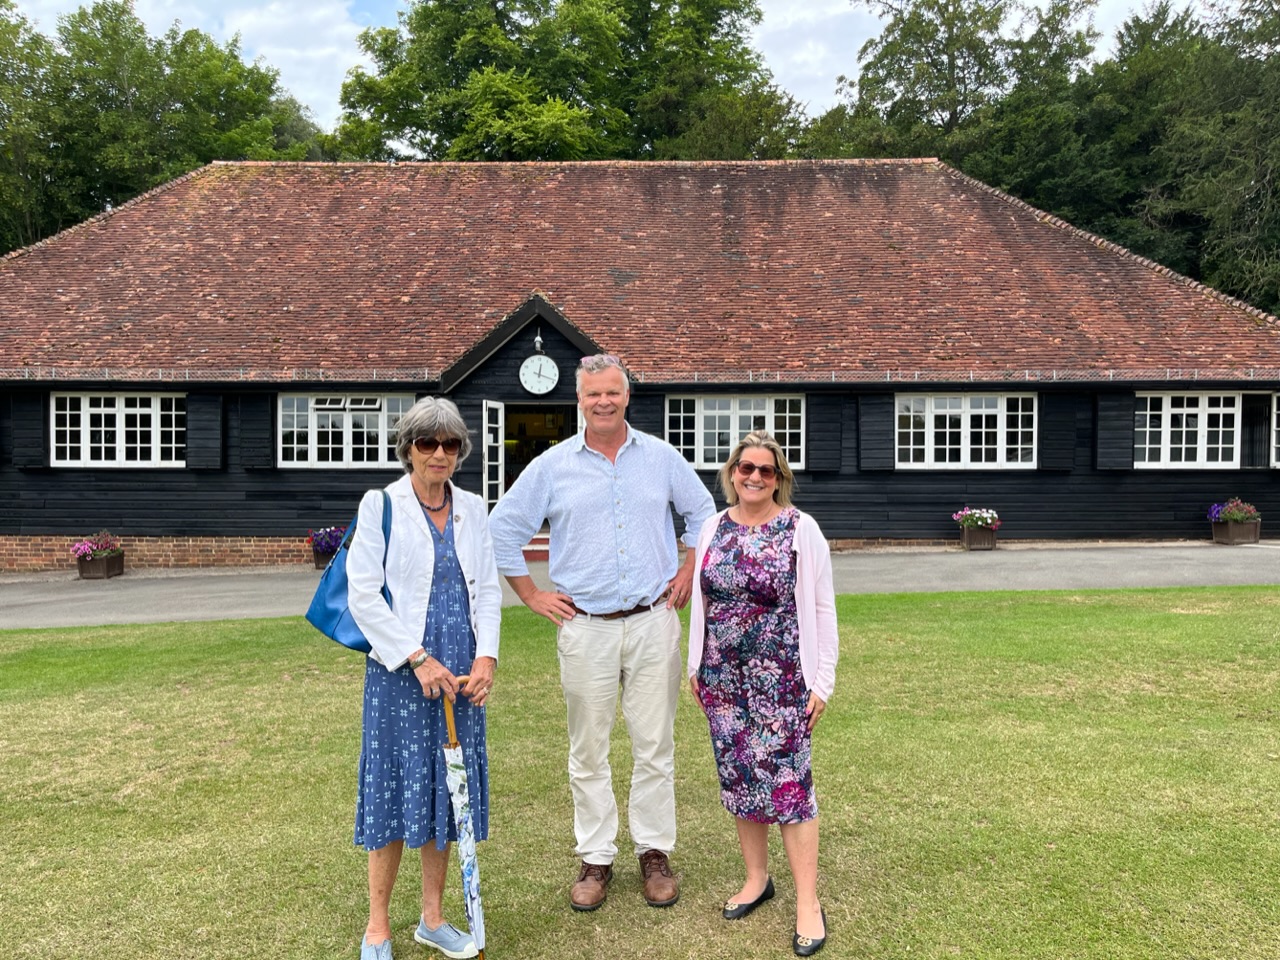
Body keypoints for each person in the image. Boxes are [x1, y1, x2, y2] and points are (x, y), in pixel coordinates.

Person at [488, 354, 716, 912]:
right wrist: (532, 595)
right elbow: (502, 529)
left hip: (651, 620)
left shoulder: (661, 458)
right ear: (579, 400)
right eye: (593, 395)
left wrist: (688, 569)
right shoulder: (552, 465)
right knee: (588, 748)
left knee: (654, 745)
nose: (604, 402)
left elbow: (703, 514)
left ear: (627, 396)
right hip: (584, 625)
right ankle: (595, 858)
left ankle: (654, 853)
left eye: (612, 392)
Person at [347, 397, 501, 960]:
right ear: (408, 447)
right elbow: (362, 594)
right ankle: (377, 929)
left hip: (460, 670)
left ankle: (433, 919)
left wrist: (486, 658)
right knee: (392, 789)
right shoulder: (380, 504)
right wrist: (416, 657)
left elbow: (486, 589)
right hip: (400, 671)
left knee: (447, 790)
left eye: (451, 444)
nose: (439, 454)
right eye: (427, 443)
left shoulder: (474, 507)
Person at [687, 432, 838, 957]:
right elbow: (703, 605)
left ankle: (807, 903)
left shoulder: (801, 529)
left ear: (779, 479)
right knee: (741, 780)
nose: (753, 477)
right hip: (723, 679)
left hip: (782, 680)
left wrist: (823, 680)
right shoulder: (711, 528)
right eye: (745, 468)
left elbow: (822, 607)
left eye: (765, 471)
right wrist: (696, 666)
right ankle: (756, 879)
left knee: (791, 789)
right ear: (731, 473)